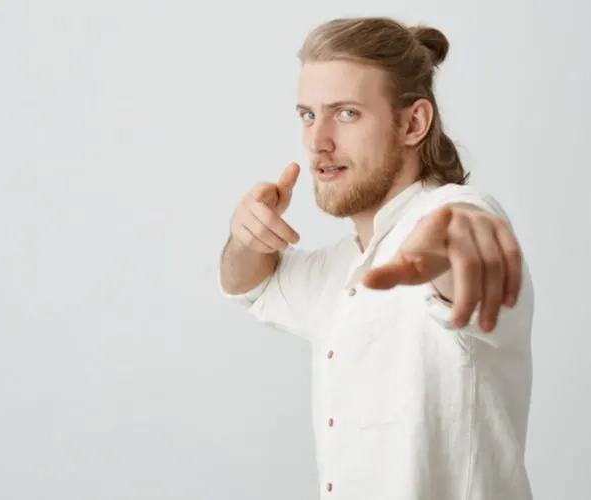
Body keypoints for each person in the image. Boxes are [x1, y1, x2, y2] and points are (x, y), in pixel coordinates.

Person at [218, 16, 535, 500]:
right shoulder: (338, 268)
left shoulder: (452, 213)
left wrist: (454, 240)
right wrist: (245, 238)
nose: (317, 141)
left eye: (346, 114)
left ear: (413, 123)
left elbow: (461, 241)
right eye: (307, 115)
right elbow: (250, 286)